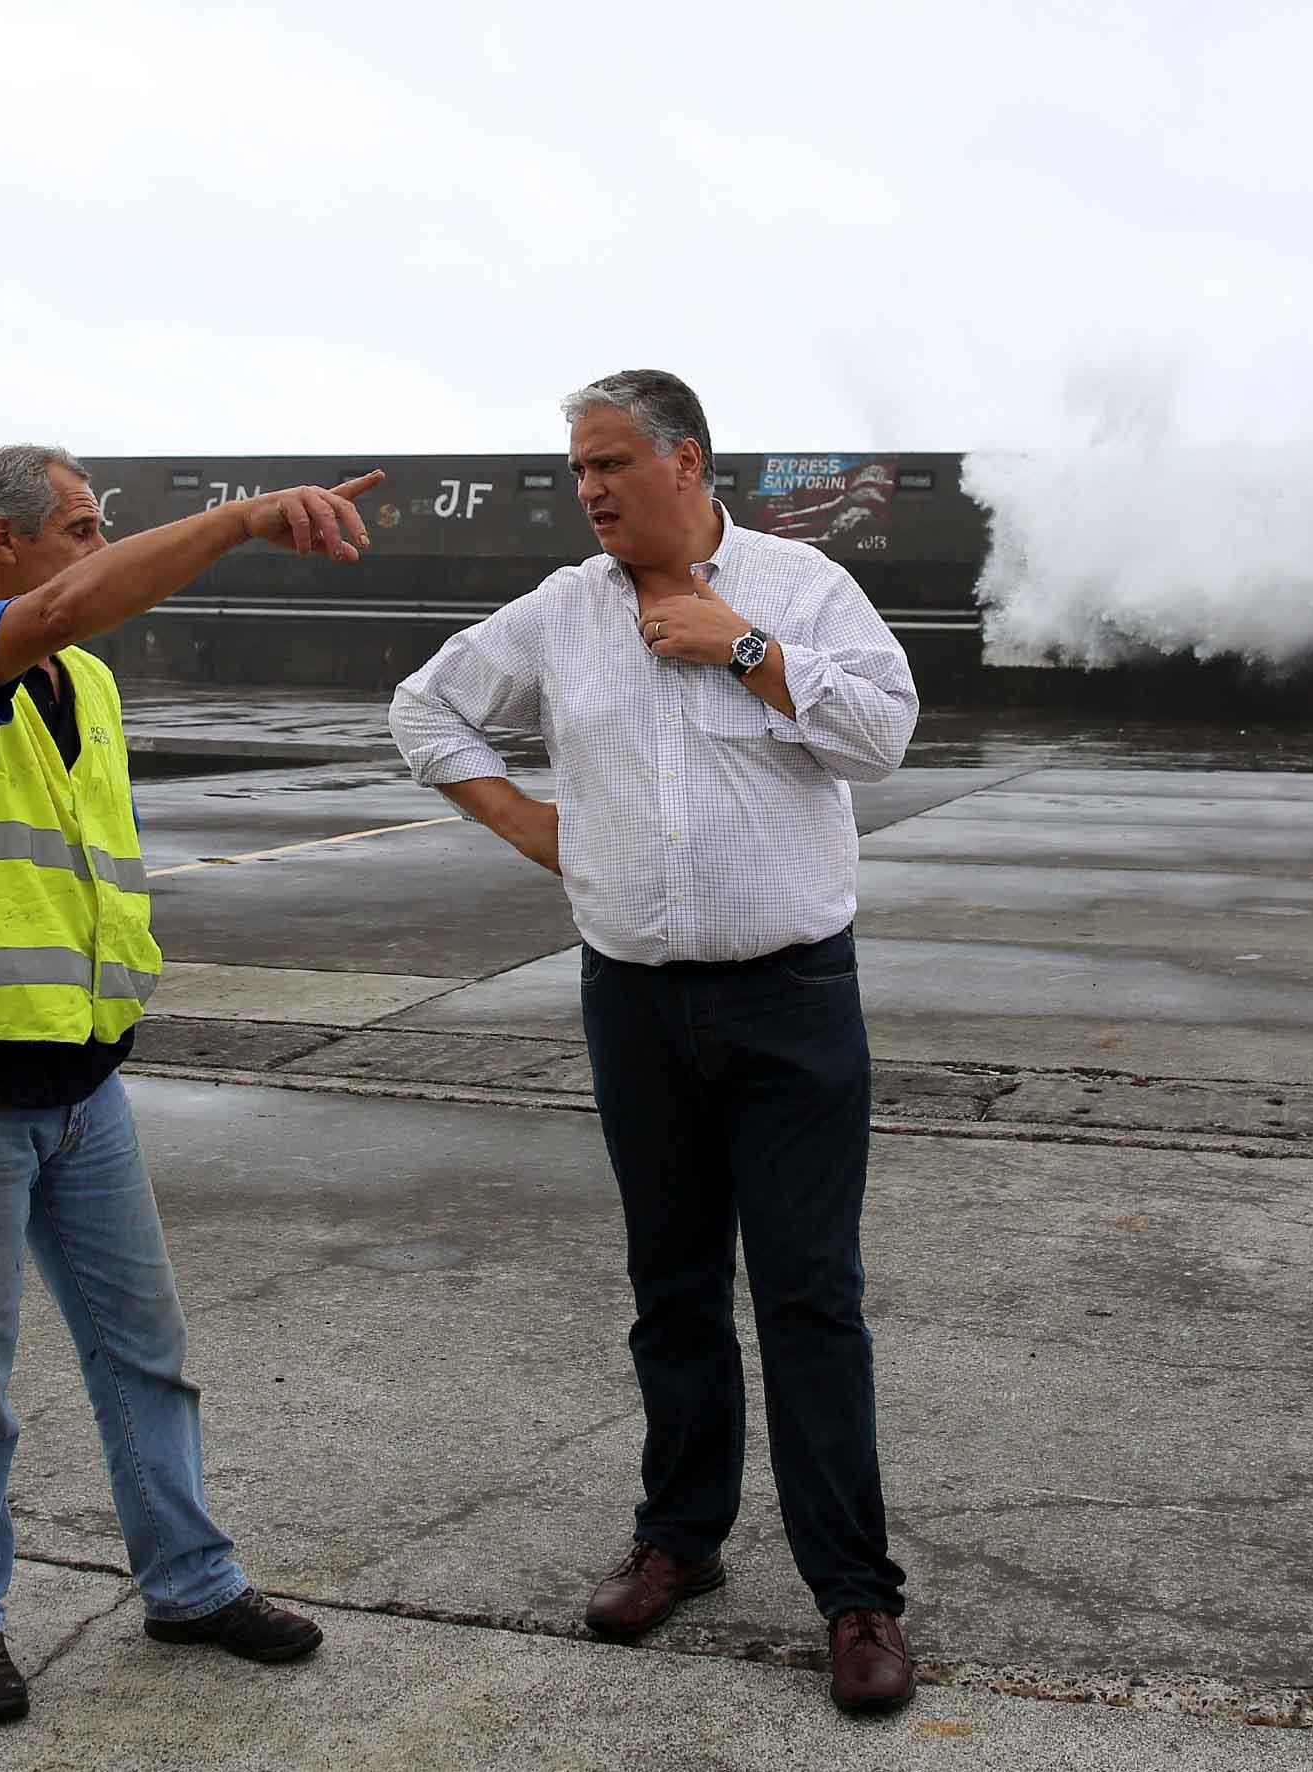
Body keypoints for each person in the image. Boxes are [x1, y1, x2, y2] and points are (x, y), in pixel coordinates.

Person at [387, 371, 921, 1715]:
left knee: (809, 1296)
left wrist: (746, 649)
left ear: (688, 460)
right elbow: (424, 713)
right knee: (671, 1288)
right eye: (577, 471)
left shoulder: (798, 588)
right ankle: (680, 1542)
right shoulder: (562, 613)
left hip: (791, 994)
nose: (591, 491)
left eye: (612, 463)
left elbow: (888, 735)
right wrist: (534, 831)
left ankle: (855, 1598)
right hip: (632, 998)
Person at [0, 444, 380, 1725]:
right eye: (83, 527)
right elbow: (49, 615)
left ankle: (190, 1581)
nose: (99, 547)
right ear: (2, 541)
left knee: (145, 1355)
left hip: (85, 1094)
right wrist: (248, 517)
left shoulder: (84, 682)